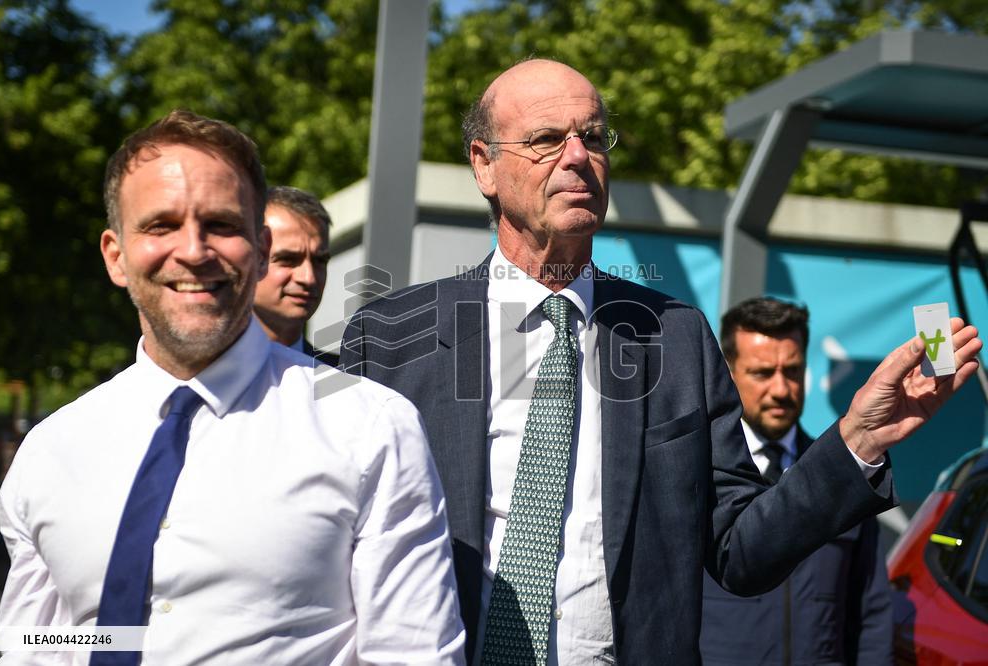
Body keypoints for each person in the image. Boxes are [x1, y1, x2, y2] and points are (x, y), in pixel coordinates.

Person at [339, 59, 981, 665]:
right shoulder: (395, 338)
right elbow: (338, 547)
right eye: (545, 140)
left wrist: (857, 440)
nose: (577, 158)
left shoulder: (674, 338)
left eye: (592, 137)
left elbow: (740, 551)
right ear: (484, 166)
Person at [0, 110, 464, 664]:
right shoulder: (51, 451)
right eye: (161, 225)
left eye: (221, 224)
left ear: (260, 249)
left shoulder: (367, 428)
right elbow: (39, 647)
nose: (194, 251)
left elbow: (412, 655)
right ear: (116, 256)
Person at [701, 297, 892, 665]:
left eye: (792, 371)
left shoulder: (843, 472)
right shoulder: (697, 473)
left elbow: (871, 610)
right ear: (728, 373)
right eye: (762, 373)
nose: (781, 389)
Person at [253, 185, 338, 365]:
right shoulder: (197, 375)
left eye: (319, 261)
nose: (309, 278)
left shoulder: (346, 380)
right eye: (288, 259)